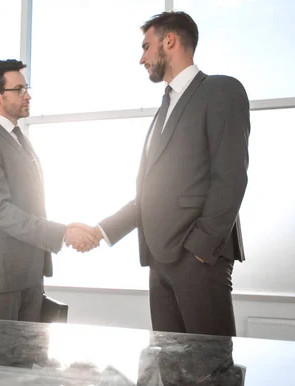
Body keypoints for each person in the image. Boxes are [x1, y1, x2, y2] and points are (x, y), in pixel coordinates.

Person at [94, 11, 250, 336]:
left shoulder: (221, 91)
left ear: (170, 40)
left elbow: (231, 176)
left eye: (146, 46)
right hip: (159, 261)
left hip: (198, 259)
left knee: (212, 369)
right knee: (170, 365)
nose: (142, 58)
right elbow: (151, 193)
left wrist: (199, 251)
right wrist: (101, 231)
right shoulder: (164, 108)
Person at [0, 59, 99, 322]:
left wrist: (66, 228)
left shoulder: (19, 138)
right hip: (2, 275)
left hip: (30, 270)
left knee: (27, 361)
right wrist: (61, 233)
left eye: (27, 88)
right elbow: (0, 210)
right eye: (20, 89)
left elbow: (30, 203)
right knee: (0, 361)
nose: (28, 95)